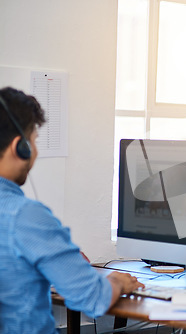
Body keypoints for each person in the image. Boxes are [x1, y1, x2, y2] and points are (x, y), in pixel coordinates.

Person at [0, 87, 145, 333]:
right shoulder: (25, 216)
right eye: (34, 142)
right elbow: (92, 298)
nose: (35, 152)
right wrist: (116, 282)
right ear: (20, 147)